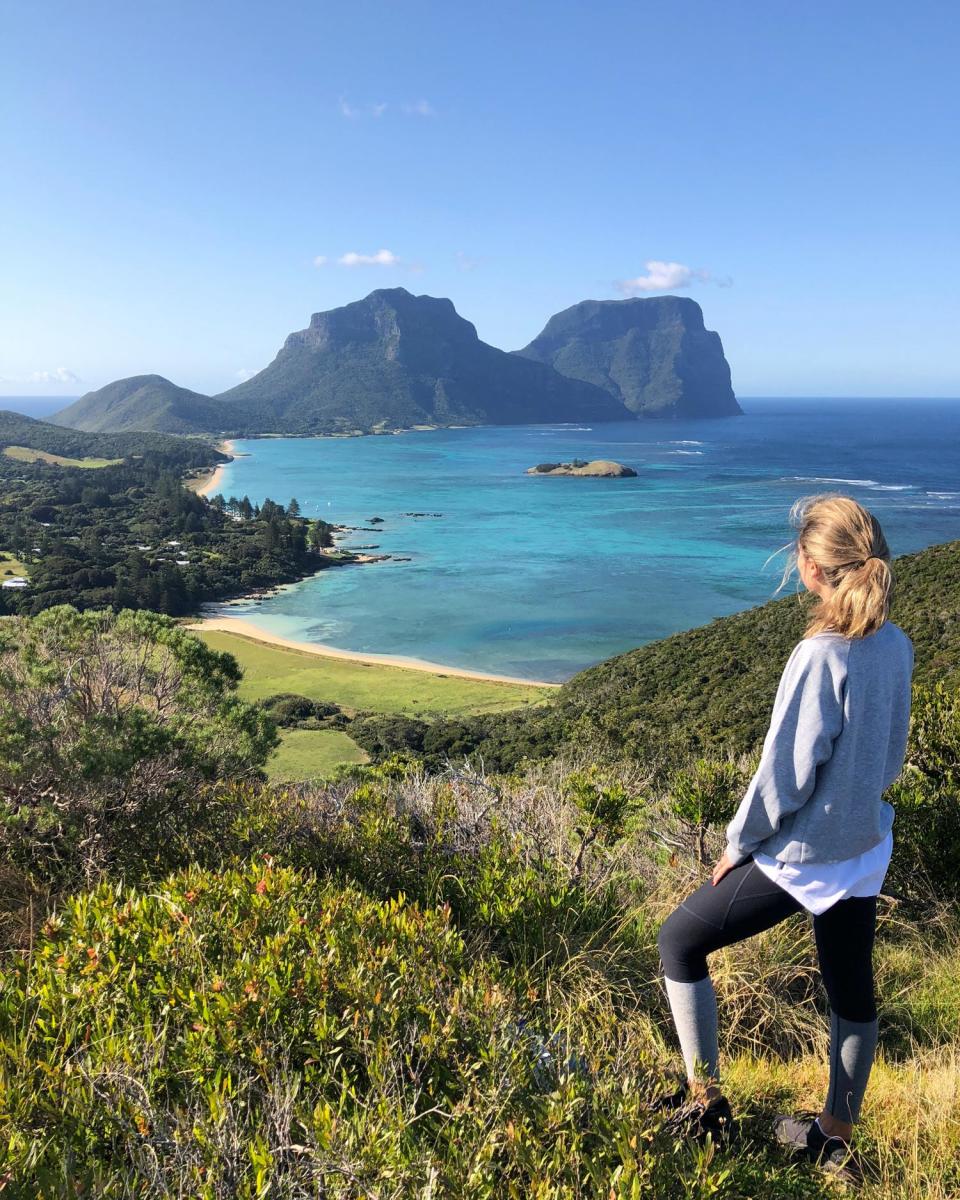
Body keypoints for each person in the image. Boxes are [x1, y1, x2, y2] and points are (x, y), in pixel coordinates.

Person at [653, 493, 914, 1186]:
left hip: (805, 856)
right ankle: (834, 1137)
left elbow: (782, 780)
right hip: (863, 849)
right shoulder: (896, 645)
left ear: (811, 567)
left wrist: (738, 843)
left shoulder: (819, 655)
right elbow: (889, 760)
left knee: (679, 942)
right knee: (851, 994)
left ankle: (706, 1104)